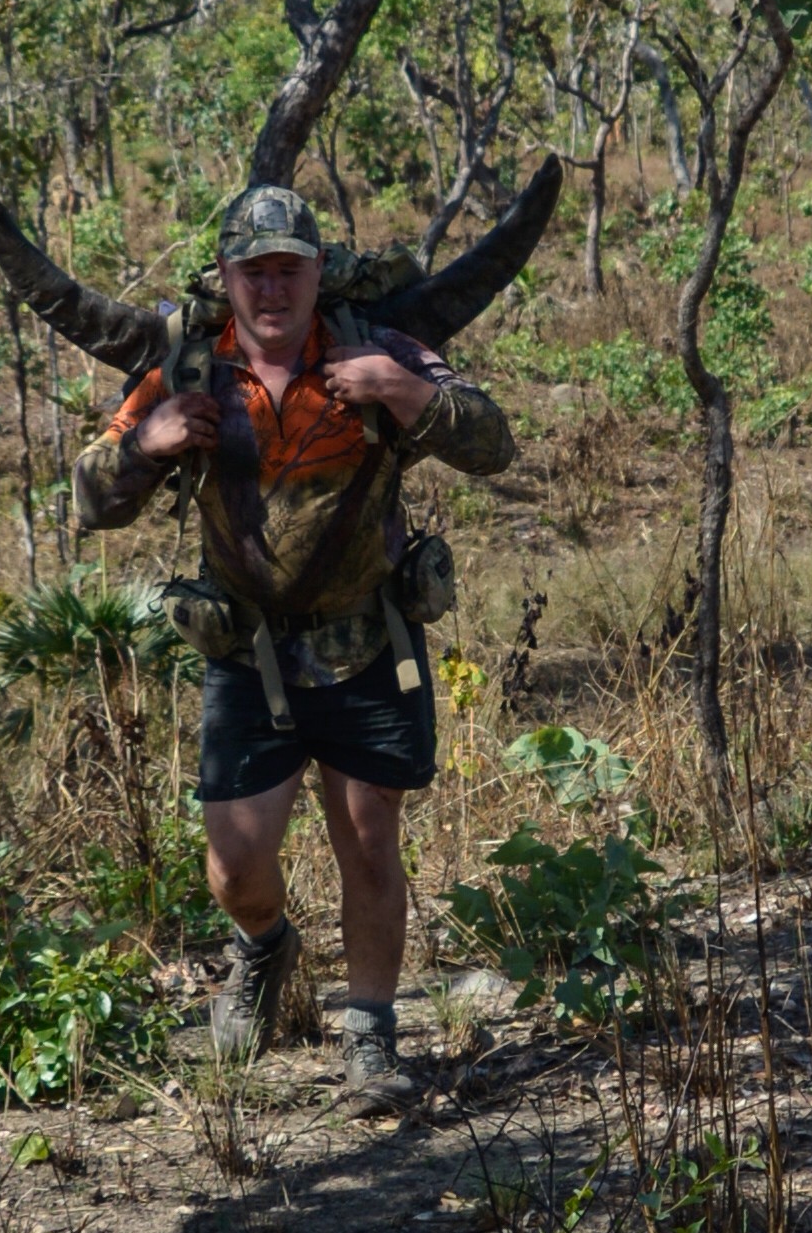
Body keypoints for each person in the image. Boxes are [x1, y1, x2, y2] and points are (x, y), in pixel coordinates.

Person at [73, 185, 514, 1116]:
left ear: (318, 273)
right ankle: (266, 950)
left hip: (367, 647)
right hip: (247, 657)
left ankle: (370, 1041)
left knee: (367, 840)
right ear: (227, 278)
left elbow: (490, 442)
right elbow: (92, 498)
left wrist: (402, 392)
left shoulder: (379, 350)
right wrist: (146, 446)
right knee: (235, 870)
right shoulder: (188, 366)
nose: (272, 289)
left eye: (289, 269)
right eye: (254, 271)